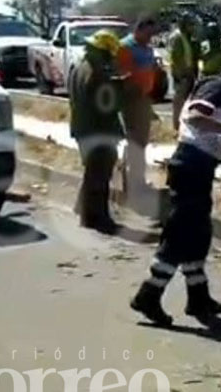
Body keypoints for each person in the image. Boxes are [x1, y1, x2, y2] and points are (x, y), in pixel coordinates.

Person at [130, 53, 221, 326]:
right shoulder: (219, 88)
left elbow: (206, 137)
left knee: (198, 235)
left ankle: (198, 297)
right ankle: (148, 294)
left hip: (201, 165)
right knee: (179, 236)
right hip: (189, 167)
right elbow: (195, 119)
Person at [68, 29, 125, 234]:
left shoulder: (79, 67)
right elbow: (107, 106)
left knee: (92, 172)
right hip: (98, 130)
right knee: (99, 175)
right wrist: (120, 88)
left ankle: (84, 210)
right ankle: (96, 218)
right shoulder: (97, 73)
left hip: (82, 128)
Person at [116, 14, 161, 200]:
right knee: (135, 142)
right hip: (131, 100)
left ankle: (136, 180)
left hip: (143, 98)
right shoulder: (125, 47)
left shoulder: (147, 48)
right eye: (148, 33)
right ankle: (132, 184)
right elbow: (123, 76)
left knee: (141, 143)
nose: (151, 38)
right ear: (139, 29)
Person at [168, 13, 200, 131]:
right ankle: (177, 127)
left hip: (189, 73)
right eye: (190, 25)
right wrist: (181, 75)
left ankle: (184, 126)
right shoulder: (177, 37)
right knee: (179, 101)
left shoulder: (188, 37)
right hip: (182, 75)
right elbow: (176, 58)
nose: (193, 27)